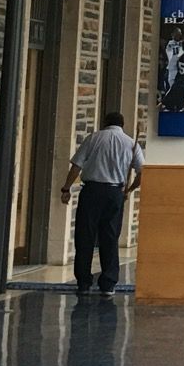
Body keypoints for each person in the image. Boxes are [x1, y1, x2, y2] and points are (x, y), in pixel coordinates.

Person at [59, 112, 144, 297]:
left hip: (92, 191)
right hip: (115, 193)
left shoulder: (93, 138)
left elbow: (76, 166)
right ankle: (108, 283)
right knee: (110, 237)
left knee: (85, 236)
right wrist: (129, 190)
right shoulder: (131, 143)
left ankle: (83, 282)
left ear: (105, 122)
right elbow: (142, 173)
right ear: (122, 124)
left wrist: (66, 188)